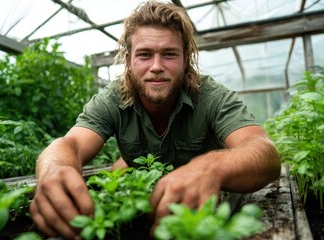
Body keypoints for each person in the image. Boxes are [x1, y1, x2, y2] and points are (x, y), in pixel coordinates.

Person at [29, 0, 281, 238]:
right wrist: (54, 168)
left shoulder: (212, 97)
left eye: (169, 54)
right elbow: (69, 144)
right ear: (128, 61)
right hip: (144, 211)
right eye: (145, 54)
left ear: (186, 60)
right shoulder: (112, 99)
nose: (157, 66)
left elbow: (264, 152)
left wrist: (210, 167)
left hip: (204, 220)